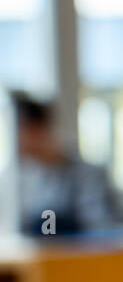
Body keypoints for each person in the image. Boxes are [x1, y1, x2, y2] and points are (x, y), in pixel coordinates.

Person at [11, 91, 117, 236]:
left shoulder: (87, 175)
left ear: (36, 129)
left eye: (18, 131)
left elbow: (101, 229)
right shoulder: (22, 180)